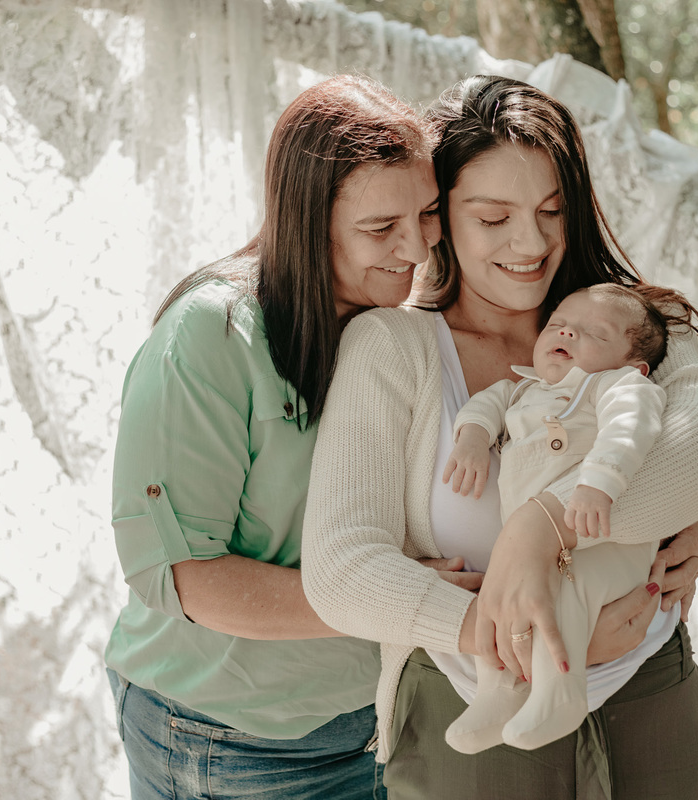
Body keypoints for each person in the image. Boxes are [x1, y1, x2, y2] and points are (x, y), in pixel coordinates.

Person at [302, 74, 698, 799]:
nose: (530, 242)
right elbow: (340, 568)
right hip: (472, 697)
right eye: (492, 216)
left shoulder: (632, 322)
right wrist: (520, 639)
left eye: (551, 210)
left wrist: (538, 532)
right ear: (439, 216)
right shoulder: (393, 347)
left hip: (649, 686)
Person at [103, 73, 447, 800]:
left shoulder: (397, 328)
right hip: (226, 736)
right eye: (381, 228)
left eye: (429, 213)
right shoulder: (213, 334)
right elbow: (187, 577)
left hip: (370, 723)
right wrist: (398, 599)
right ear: (305, 218)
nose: (416, 248)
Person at [442, 283, 698, 754]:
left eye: (594, 332)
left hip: (610, 541)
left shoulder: (616, 386)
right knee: (504, 597)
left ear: (634, 364)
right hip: (542, 551)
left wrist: (598, 483)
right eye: (558, 323)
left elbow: (633, 426)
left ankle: (560, 693)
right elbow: (486, 404)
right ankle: (496, 693)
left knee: (569, 592)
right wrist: (471, 438)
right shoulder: (523, 389)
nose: (567, 330)